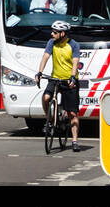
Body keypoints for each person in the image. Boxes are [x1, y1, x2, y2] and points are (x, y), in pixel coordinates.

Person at [35, 21, 82, 151]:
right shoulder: (52, 42)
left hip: (69, 80)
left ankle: (74, 140)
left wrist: (72, 76)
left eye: (55, 32)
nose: (52, 34)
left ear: (63, 33)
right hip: (55, 78)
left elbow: (75, 62)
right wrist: (40, 72)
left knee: (72, 113)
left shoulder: (74, 45)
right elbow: (45, 57)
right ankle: (50, 121)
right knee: (45, 98)